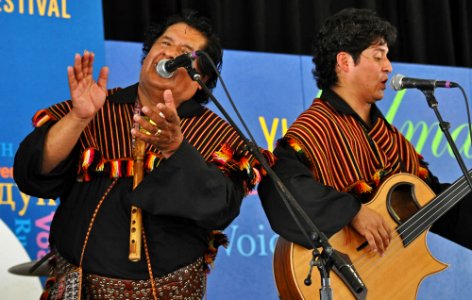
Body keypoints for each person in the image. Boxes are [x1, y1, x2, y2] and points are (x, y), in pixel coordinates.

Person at [14, 11, 264, 299]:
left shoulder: (217, 134)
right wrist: (78, 118)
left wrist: (175, 149)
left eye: (184, 52)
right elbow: (31, 175)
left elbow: (219, 207)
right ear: (147, 55)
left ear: (201, 78)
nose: (169, 53)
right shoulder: (98, 106)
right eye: (164, 43)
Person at [258, 8, 472, 258]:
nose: (389, 67)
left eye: (387, 57)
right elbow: (282, 189)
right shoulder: (315, 127)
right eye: (378, 56)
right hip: (337, 279)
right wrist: (352, 212)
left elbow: (431, 201)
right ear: (345, 62)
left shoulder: (389, 137)